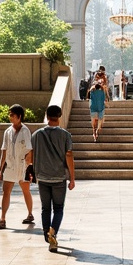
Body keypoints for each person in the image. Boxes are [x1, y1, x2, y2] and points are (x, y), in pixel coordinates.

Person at [31, 103, 75, 252]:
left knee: (45, 208)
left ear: (46, 115)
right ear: (60, 116)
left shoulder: (36, 135)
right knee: (58, 208)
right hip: (59, 177)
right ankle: (53, 232)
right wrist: (72, 178)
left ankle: (47, 235)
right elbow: (69, 155)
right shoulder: (65, 135)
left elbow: (30, 156)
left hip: (42, 177)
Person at [0, 104, 35, 229]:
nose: (10, 117)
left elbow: (30, 150)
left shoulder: (25, 131)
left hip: (22, 166)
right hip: (10, 166)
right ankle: (2, 219)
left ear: (19, 116)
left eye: (12, 115)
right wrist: (0, 168)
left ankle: (30, 214)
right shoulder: (7, 131)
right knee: (6, 192)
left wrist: (30, 168)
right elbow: (3, 151)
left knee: (25, 191)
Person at [87, 76, 107, 141]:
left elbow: (89, 97)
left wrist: (91, 89)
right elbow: (104, 99)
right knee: (100, 120)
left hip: (93, 107)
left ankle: (94, 131)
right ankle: (97, 130)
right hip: (100, 107)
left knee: (93, 120)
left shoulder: (92, 92)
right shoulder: (102, 92)